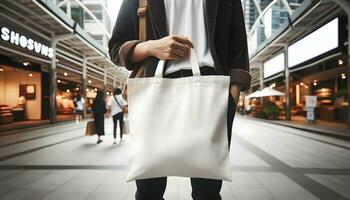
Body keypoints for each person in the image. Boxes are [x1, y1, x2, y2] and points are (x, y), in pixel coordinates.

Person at [108, 0, 251, 199]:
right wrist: (151, 47)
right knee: (148, 190)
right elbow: (116, 48)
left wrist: (231, 101)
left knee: (207, 192)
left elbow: (238, 50)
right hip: (154, 92)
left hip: (211, 92)